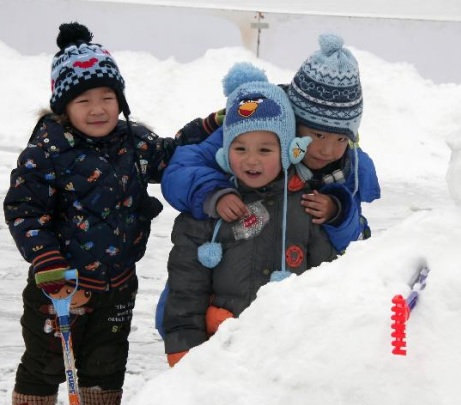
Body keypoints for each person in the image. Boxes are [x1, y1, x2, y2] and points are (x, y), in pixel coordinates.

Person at [3, 22, 209, 405]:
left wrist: (211, 126)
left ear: (121, 100)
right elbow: (24, 210)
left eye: (107, 97)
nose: (98, 109)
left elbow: (174, 154)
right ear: (64, 106)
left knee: (105, 368)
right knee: (43, 368)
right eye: (83, 101)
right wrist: (46, 259)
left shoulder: (136, 144)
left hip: (117, 287)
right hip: (60, 288)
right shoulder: (46, 152)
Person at [162, 62, 337, 367]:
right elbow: (186, 284)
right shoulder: (209, 205)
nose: (251, 160)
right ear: (225, 152)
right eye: (240, 149)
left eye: (266, 151)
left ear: (287, 152)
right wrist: (184, 344)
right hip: (221, 345)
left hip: (285, 349)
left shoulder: (305, 202)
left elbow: (328, 277)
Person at [162, 33, 380, 252]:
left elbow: (356, 243)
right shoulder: (254, 133)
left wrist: (338, 212)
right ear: (294, 123)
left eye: (341, 138)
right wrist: (213, 193)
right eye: (318, 135)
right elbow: (181, 171)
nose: (327, 150)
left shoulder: (350, 168)